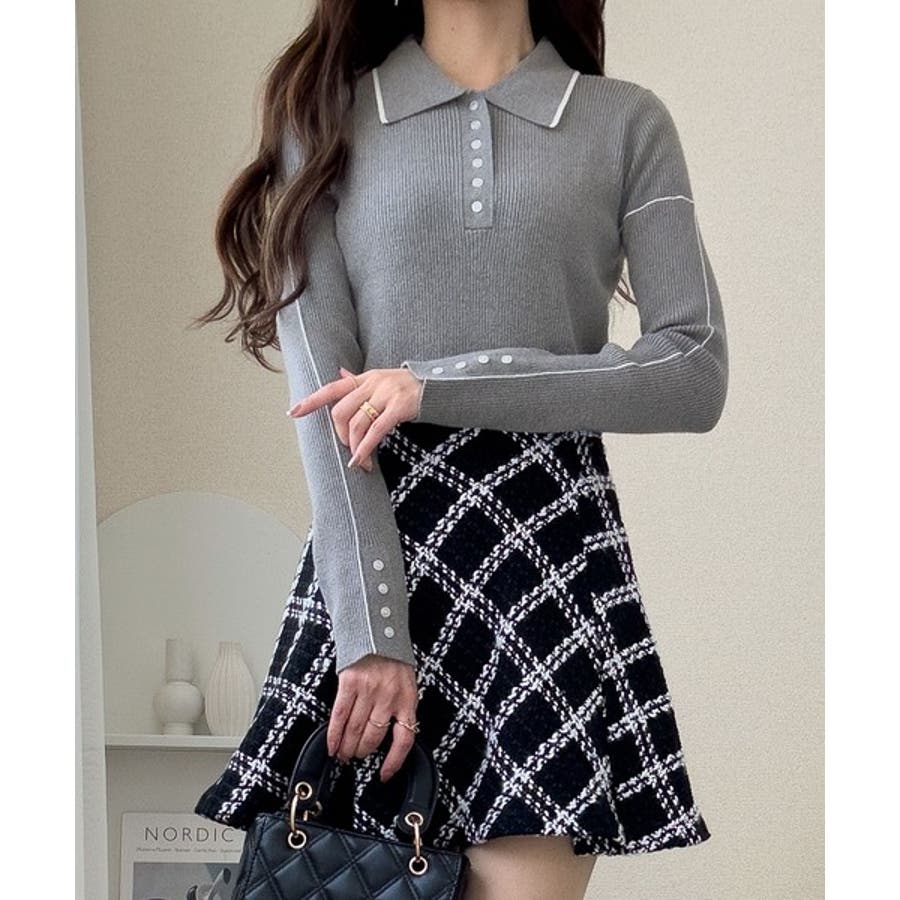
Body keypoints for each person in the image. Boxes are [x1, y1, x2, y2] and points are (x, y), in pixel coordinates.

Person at [192, 1, 728, 897]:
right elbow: (324, 405)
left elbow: (693, 371)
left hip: (544, 572)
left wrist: (435, 385)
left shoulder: (625, 123)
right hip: (377, 556)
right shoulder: (323, 123)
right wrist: (373, 634)